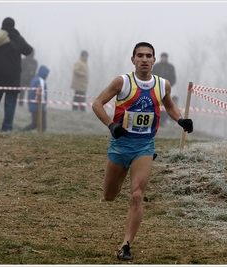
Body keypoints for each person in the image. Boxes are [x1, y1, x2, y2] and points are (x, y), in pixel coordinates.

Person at [92, 42, 193, 261]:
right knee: (110, 195)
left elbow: (169, 105)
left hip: (145, 146)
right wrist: (111, 125)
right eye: (140, 55)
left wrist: (181, 119)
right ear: (133, 59)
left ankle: (125, 245)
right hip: (120, 145)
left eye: (149, 56)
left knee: (137, 194)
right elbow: (97, 104)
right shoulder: (123, 82)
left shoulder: (162, 84)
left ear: (154, 60)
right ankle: (113, 193)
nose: (145, 59)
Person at [0, 17, 33, 132]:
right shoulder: (18, 39)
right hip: (12, 79)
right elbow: (29, 50)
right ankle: (7, 129)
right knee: (10, 105)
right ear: (13, 26)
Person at [152, 52, 177, 126]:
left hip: (166, 90)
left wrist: (168, 86)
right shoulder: (156, 66)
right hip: (155, 89)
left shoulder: (170, 67)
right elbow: (152, 76)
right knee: (155, 104)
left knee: (165, 105)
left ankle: (162, 121)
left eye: (164, 57)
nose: (163, 59)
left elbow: (173, 78)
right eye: (162, 57)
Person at [23, 65, 49, 132]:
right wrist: (43, 106)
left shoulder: (35, 79)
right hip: (38, 106)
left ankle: (23, 131)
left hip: (33, 105)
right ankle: (40, 138)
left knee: (35, 123)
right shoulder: (41, 81)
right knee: (42, 125)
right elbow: (41, 94)